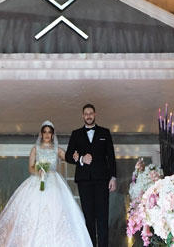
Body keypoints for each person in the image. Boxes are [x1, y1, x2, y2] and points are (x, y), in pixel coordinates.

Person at [0, 120, 92, 246]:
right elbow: (30, 168)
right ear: (41, 134)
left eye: (49, 132)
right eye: (45, 132)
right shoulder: (35, 149)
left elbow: (69, 158)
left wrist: (79, 157)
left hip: (54, 182)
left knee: (56, 212)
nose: (47, 135)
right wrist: (38, 171)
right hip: (37, 181)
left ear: (52, 135)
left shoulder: (57, 149)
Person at [65, 103, 117, 247]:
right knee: (88, 218)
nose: (88, 116)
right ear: (83, 116)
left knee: (102, 217)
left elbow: (111, 157)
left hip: (102, 180)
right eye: (86, 114)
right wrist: (81, 159)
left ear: (95, 114)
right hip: (84, 181)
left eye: (91, 113)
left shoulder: (105, 132)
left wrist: (113, 177)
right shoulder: (76, 134)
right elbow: (68, 156)